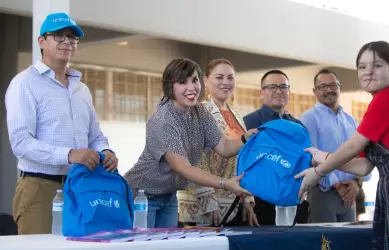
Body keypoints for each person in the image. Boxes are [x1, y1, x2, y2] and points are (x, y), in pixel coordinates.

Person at [296, 41, 389, 249]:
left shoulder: (387, 98)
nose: (368, 72)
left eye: (377, 65)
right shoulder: (384, 101)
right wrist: (322, 155)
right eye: (362, 67)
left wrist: (319, 171)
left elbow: (352, 147)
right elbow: (363, 165)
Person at [5, 12, 118, 235]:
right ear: (41, 41)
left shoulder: (81, 89)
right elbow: (21, 143)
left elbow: (95, 136)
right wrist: (69, 154)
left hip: (80, 186)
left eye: (72, 37)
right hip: (39, 187)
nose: (67, 41)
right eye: (58, 35)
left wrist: (105, 150)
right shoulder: (24, 83)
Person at [124, 58, 256, 228]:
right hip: (142, 194)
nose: (191, 87)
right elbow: (184, 168)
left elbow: (223, 147)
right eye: (182, 82)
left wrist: (246, 138)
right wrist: (224, 183)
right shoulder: (163, 120)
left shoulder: (199, 111)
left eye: (194, 80)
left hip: (169, 195)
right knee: (144, 246)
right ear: (170, 86)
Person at [178, 59, 259, 227]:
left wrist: (247, 198)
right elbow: (192, 157)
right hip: (203, 205)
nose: (225, 82)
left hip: (233, 203)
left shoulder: (236, 114)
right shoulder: (197, 111)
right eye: (219, 77)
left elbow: (243, 158)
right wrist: (206, 198)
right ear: (206, 81)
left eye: (230, 78)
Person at [300, 68, 370, 223]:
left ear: (340, 88)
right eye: (322, 87)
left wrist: (356, 183)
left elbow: (361, 154)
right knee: (325, 245)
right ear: (314, 91)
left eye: (332, 85)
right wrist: (338, 186)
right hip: (323, 193)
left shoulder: (350, 120)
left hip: (350, 194)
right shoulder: (308, 118)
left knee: (348, 243)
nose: (328, 90)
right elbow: (311, 156)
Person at [243, 69, 304, 225]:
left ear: (289, 92)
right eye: (272, 87)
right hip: (260, 202)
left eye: (284, 87)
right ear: (262, 93)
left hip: (293, 200)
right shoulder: (248, 123)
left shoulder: (298, 127)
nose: (279, 91)